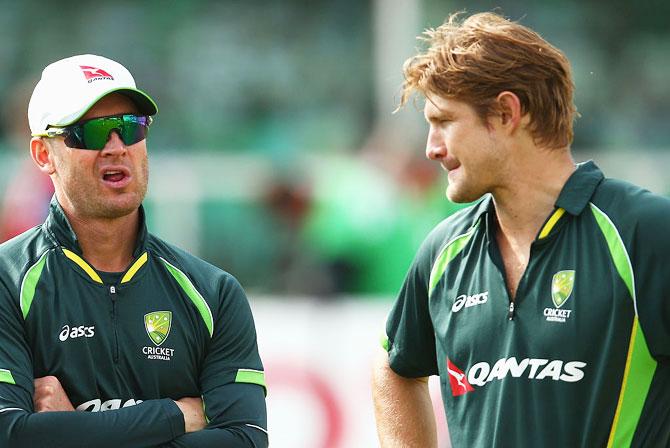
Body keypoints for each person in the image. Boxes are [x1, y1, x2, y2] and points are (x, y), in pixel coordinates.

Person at [371, 12, 669, 448]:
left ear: (508, 113)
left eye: (445, 122)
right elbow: (393, 366)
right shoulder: (444, 252)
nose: (432, 149)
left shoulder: (644, 233)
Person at [0, 54, 268, 447]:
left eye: (130, 128)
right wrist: (178, 414)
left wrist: (72, 432)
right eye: (91, 132)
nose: (116, 147)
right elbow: (11, 435)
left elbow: (246, 440)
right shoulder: (7, 281)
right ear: (44, 154)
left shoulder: (214, 291)